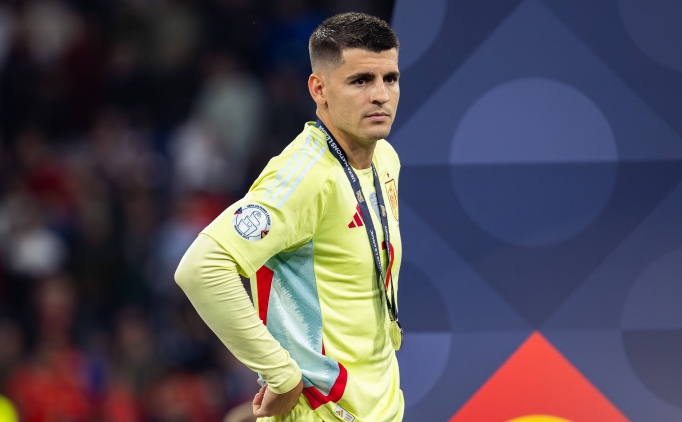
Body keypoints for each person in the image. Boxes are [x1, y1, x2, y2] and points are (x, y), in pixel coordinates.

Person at [175, 12, 403, 422]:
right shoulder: (304, 175)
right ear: (319, 89)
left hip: (380, 407)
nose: (381, 95)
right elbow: (201, 268)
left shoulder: (385, 159)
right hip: (323, 413)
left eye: (390, 78)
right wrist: (282, 376)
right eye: (360, 81)